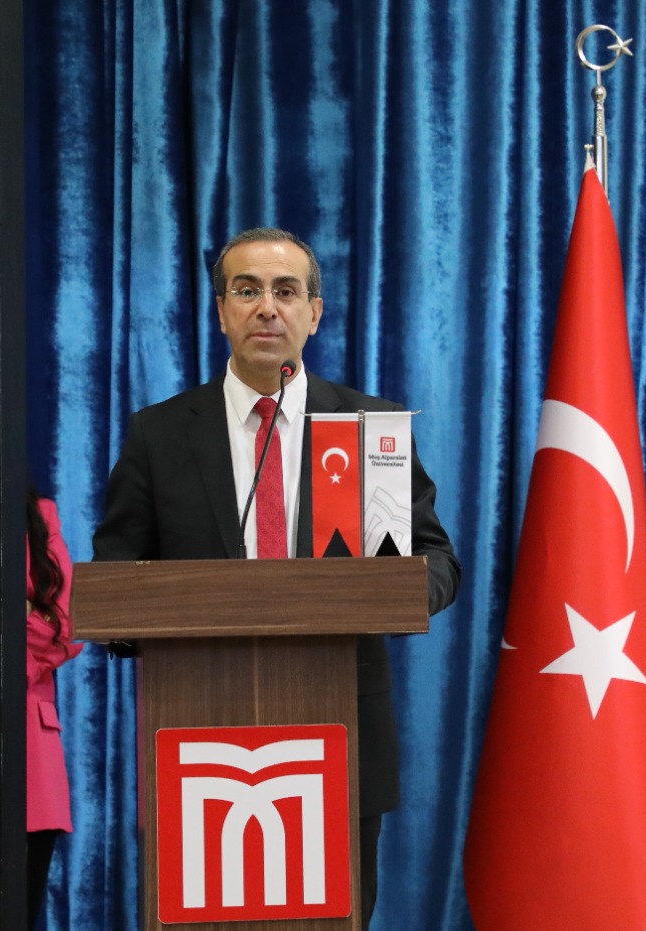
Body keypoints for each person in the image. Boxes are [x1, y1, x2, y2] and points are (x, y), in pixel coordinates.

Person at [92, 227, 461, 926]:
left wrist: (393, 593)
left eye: (286, 291)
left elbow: (437, 559)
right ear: (221, 311)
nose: (267, 307)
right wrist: (146, 624)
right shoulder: (159, 434)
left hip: (344, 731)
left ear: (313, 314)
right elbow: (117, 570)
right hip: (199, 734)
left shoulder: (369, 427)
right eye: (247, 290)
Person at [25, 490, 82, 929]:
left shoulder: (40, 516)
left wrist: (9, 646)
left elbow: (62, 624)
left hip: (32, 745)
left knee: (21, 909)